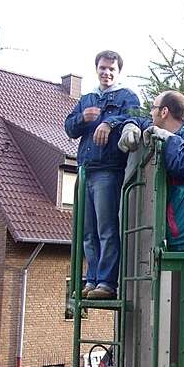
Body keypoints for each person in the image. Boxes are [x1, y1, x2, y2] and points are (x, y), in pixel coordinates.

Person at [65, 50, 140, 300]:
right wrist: (81, 118)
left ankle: (107, 283)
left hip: (108, 170)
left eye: (111, 69)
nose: (106, 73)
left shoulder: (126, 96)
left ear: (118, 72)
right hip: (85, 169)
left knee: (107, 229)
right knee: (88, 231)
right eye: (103, 68)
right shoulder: (87, 99)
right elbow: (69, 128)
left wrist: (110, 123)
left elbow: (136, 118)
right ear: (96, 69)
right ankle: (93, 279)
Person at [118, 90, 184, 251]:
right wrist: (131, 125)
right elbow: (143, 122)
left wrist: (169, 138)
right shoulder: (169, 133)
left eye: (153, 108)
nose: (150, 113)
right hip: (175, 236)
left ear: (164, 112)